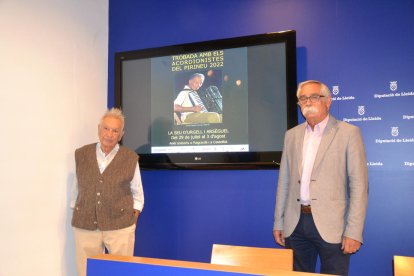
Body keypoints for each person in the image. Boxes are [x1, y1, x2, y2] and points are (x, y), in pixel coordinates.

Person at [273, 80, 368, 275]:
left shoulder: (349, 133)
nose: (308, 102)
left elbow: (359, 186)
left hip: (334, 225)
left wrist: (354, 231)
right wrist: (279, 221)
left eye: (314, 97)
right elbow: (284, 181)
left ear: (328, 101)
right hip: (295, 223)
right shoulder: (291, 135)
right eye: (303, 98)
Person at [70, 108, 144, 276]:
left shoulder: (130, 158)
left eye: (115, 130)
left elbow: (138, 195)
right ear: (99, 129)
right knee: (85, 272)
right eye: (106, 128)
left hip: (120, 227)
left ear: (121, 134)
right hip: (85, 226)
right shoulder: (81, 154)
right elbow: (77, 187)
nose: (109, 134)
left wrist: (131, 221)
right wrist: (78, 210)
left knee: (122, 272)